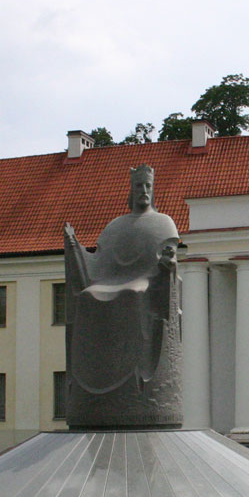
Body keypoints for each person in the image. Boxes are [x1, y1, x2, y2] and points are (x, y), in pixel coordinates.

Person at [62, 164, 180, 429]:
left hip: (146, 279)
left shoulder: (164, 222)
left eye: (148, 186)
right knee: (88, 295)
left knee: (131, 292)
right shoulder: (115, 226)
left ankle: (136, 374)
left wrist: (168, 261)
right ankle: (93, 375)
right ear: (131, 190)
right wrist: (74, 247)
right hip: (111, 279)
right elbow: (98, 263)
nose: (143, 191)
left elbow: (169, 254)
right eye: (139, 186)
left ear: (153, 190)